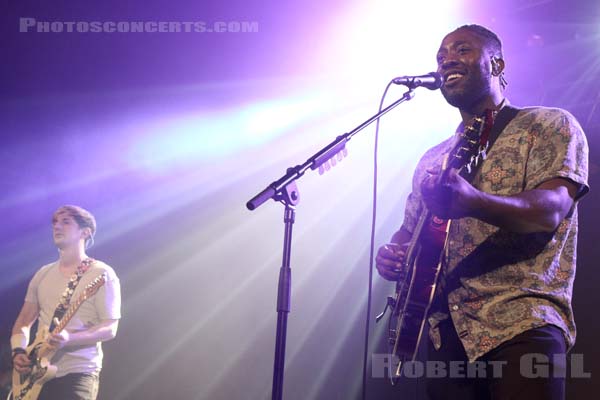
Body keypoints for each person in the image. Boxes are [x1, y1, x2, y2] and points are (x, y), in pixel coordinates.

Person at [376, 24, 589, 400]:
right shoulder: (433, 159)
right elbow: (407, 234)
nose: (446, 62)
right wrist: (394, 257)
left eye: (461, 50)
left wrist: (473, 201)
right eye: (441, 57)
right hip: (446, 331)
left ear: (497, 63)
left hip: (521, 321)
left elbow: (550, 210)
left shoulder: (548, 125)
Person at [11, 205, 121, 400]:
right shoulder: (42, 274)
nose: (57, 226)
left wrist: (70, 339)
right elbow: (23, 322)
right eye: (55, 222)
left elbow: (110, 328)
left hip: (77, 372)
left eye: (66, 222)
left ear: (85, 232)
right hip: (36, 374)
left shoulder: (101, 274)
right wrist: (18, 351)